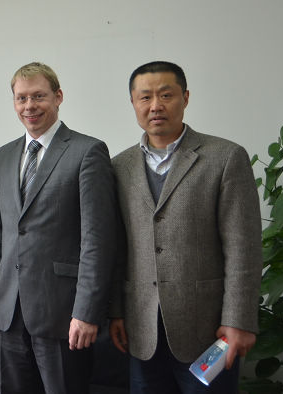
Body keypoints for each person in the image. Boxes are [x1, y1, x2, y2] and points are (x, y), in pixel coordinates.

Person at [108, 61, 261, 394]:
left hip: (207, 328)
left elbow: (243, 247)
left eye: (166, 95)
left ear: (185, 98)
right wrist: (116, 311)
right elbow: (118, 248)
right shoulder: (119, 167)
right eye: (145, 97)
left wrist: (239, 319)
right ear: (133, 103)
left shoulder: (225, 157)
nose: (155, 106)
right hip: (141, 328)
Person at [0, 62, 118, 394]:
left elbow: (97, 240)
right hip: (8, 311)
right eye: (21, 98)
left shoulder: (87, 151)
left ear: (58, 97)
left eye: (38, 96)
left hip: (63, 313)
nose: (29, 106)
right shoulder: (4, 155)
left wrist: (87, 312)